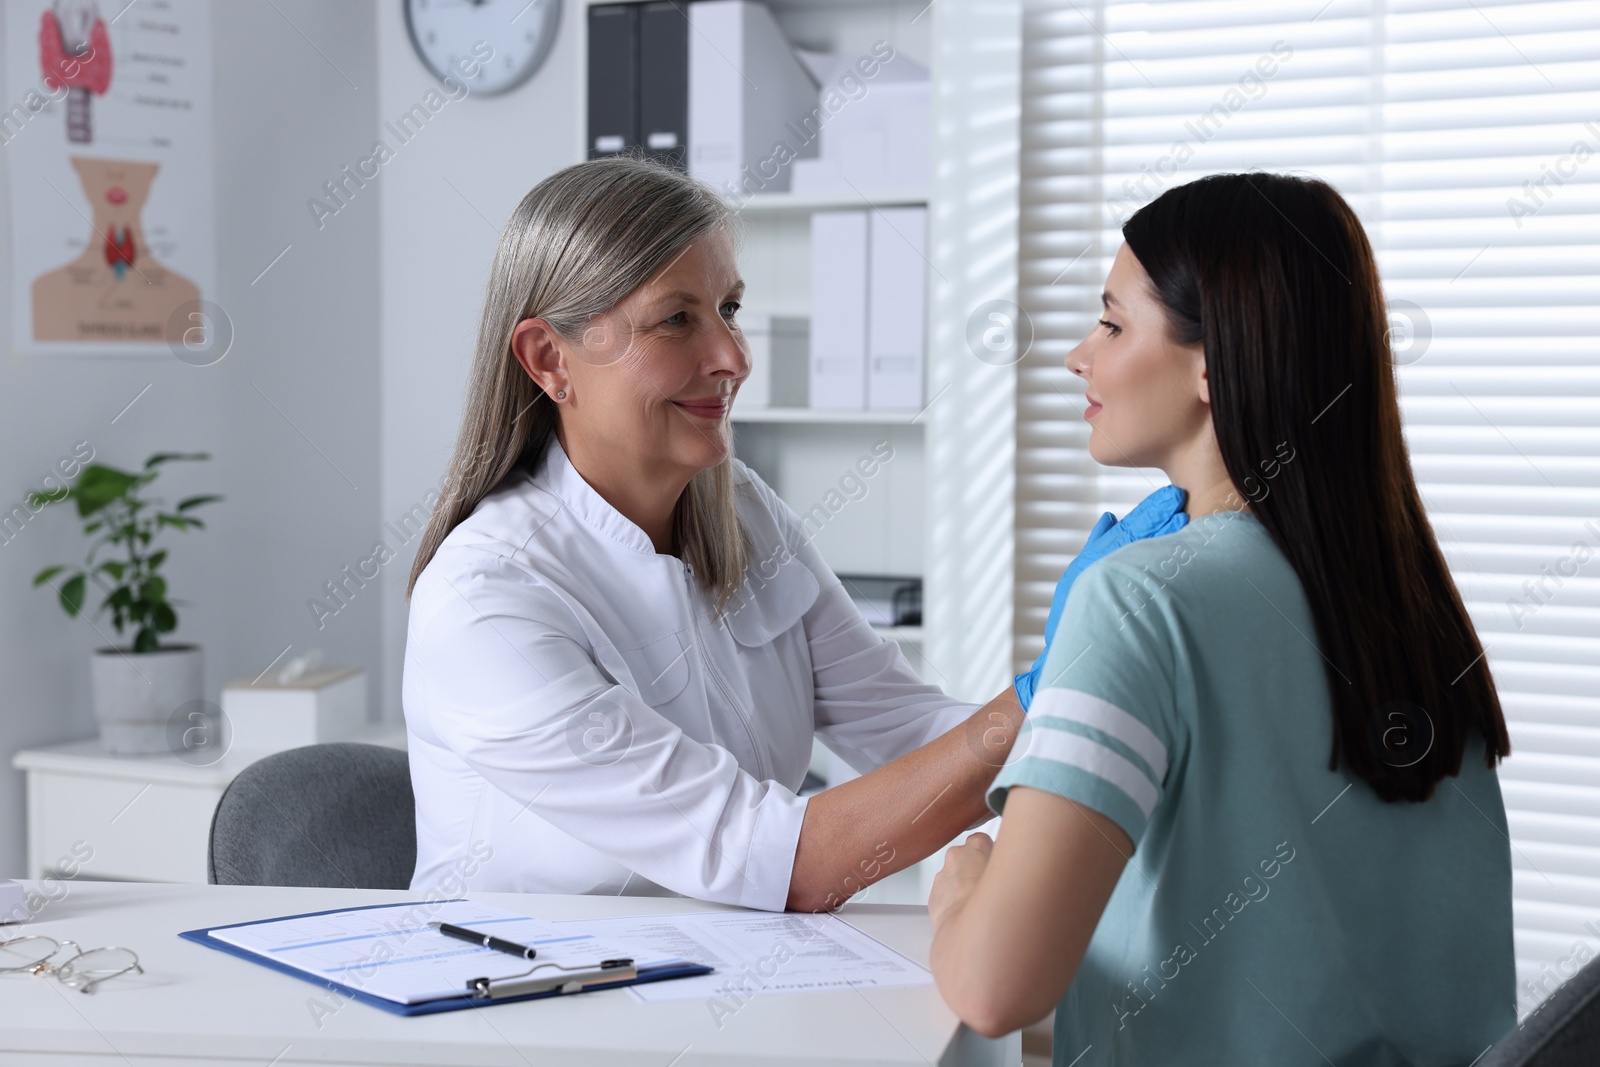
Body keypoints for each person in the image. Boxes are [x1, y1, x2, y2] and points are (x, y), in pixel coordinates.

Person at [399, 155, 1187, 912]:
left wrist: (1091, 700)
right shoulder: (484, 600)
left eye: (730, 310)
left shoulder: (739, 510)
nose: (732, 357)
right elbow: (773, 857)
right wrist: (1040, 694)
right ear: (549, 358)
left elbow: (905, 731)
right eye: (677, 319)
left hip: (709, 979)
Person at [927, 172, 1515, 1063]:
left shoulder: (1139, 599)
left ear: (1213, 362)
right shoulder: (1409, 607)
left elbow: (993, 986)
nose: (1076, 355)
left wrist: (961, 888)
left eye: (1113, 323)